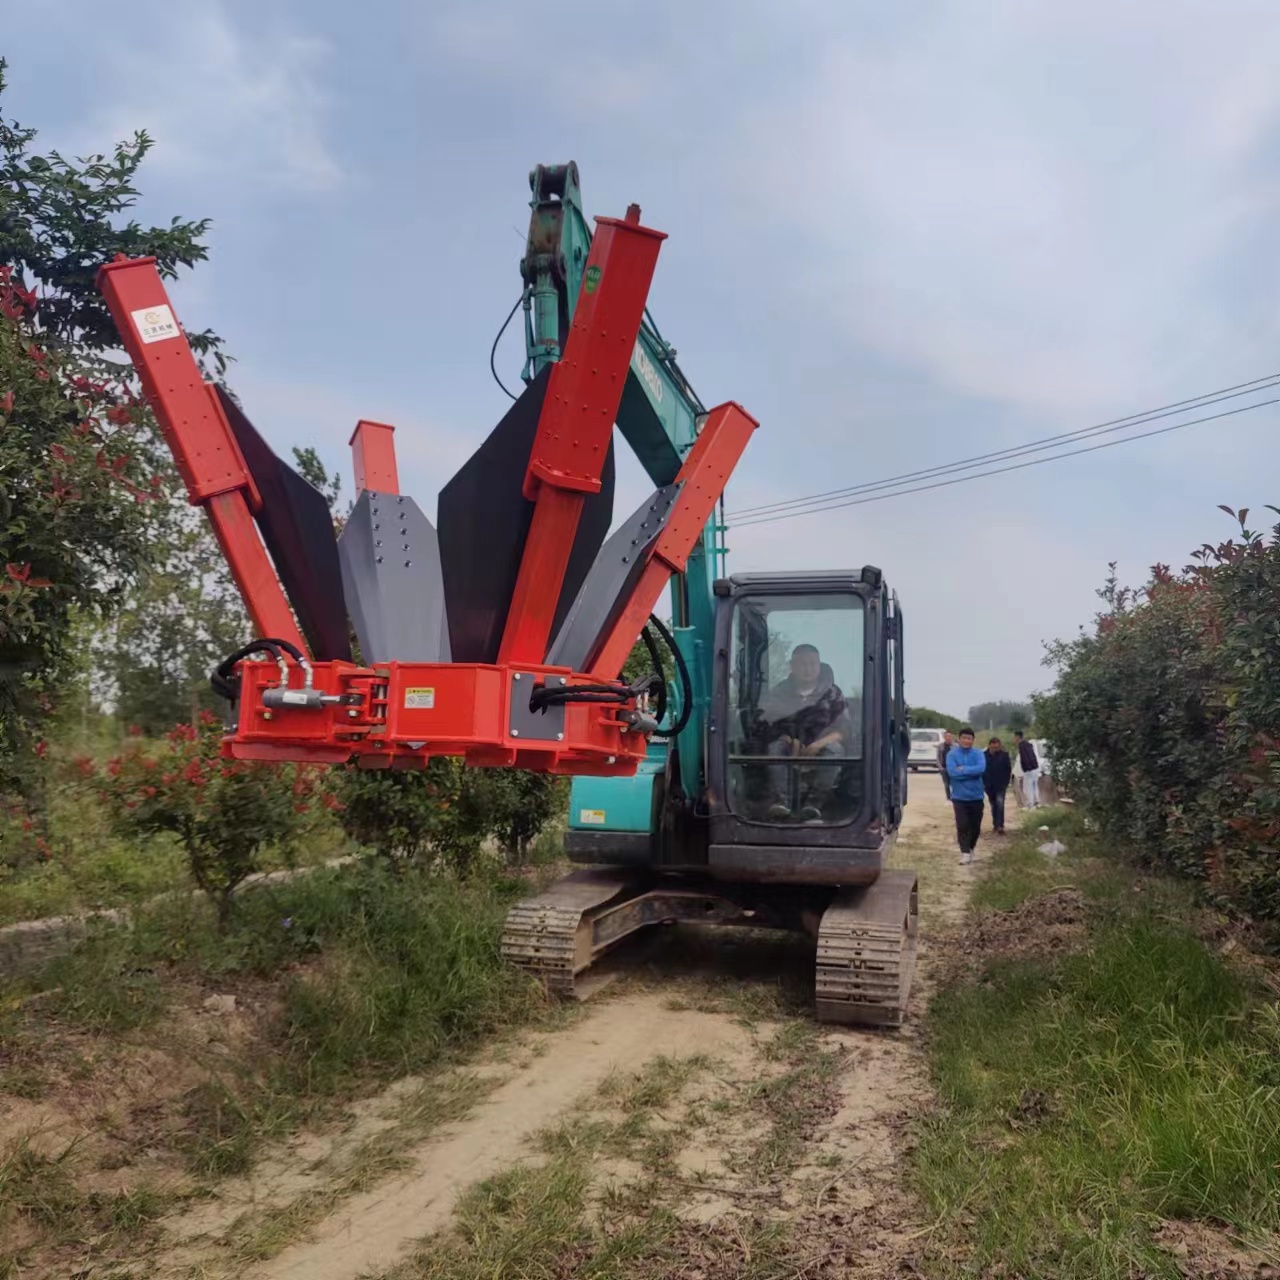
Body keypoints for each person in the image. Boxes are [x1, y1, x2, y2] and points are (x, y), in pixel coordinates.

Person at [759, 643, 850, 820]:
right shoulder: (779, 693)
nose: (807, 669)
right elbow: (767, 725)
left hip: (822, 747)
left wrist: (817, 745)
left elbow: (843, 729)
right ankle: (782, 803)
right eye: (802, 664)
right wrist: (787, 740)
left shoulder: (832, 693)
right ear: (792, 666)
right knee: (774, 749)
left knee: (835, 751)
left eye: (812, 663)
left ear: (819, 665)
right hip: (788, 748)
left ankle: (813, 806)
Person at [946, 727, 986, 864]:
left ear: (973, 740)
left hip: (976, 796)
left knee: (975, 826)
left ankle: (971, 847)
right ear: (959, 738)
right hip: (959, 797)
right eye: (964, 738)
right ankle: (964, 852)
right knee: (962, 825)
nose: (966, 741)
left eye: (969, 738)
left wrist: (963, 769)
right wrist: (971, 773)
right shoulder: (952, 754)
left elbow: (981, 769)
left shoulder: (978, 753)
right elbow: (952, 773)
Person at [984, 736, 1013, 835]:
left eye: (997, 747)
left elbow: (1008, 770)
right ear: (989, 745)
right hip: (989, 785)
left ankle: (1000, 825)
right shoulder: (984, 756)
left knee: (1000, 804)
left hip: (1001, 785)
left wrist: (1006, 782)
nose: (995, 749)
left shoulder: (1004, 755)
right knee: (993, 805)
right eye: (993, 747)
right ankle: (995, 825)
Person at [1013, 731, 1041, 809]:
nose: (1014, 739)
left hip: (1029, 769)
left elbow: (1024, 758)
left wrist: (1025, 769)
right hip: (1035, 768)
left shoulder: (1021, 746)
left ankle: (1030, 805)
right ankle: (1037, 802)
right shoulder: (1028, 744)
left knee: (1027, 788)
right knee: (1034, 786)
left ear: (1018, 737)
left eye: (1014, 737)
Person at [936, 730, 954, 800]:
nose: (948, 738)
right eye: (947, 736)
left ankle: (954, 797)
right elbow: (937, 757)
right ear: (944, 737)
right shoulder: (940, 746)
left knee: (954, 784)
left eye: (950, 736)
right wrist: (940, 767)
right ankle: (948, 798)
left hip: (953, 768)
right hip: (944, 768)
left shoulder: (955, 746)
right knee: (946, 785)